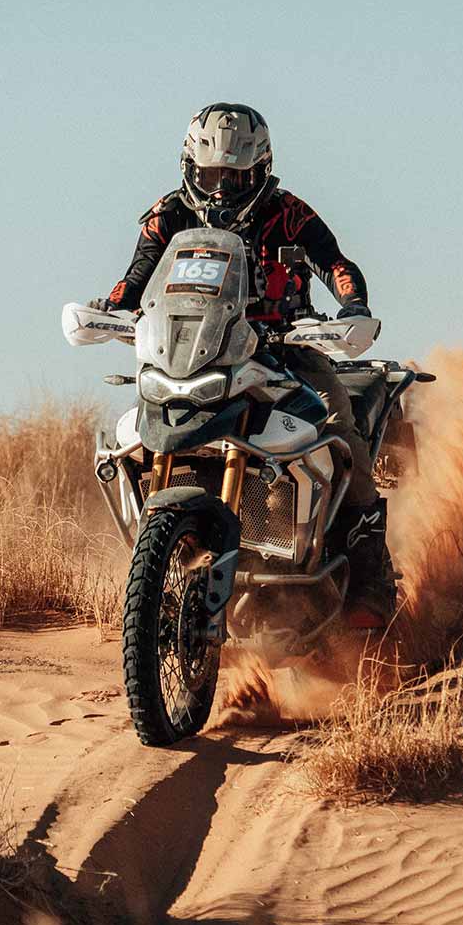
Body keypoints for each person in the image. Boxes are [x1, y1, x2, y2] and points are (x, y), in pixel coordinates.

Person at [94, 103, 395, 627]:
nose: (220, 188)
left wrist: (353, 309)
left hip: (284, 347)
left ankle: (370, 573)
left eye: (233, 176)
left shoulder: (289, 212)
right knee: (128, 437)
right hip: (194, 351)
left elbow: (337, 265)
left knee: (339, 428)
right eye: (210, 174)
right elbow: (137, 274)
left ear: (259, 169)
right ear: (190, 166)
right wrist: (114, 308)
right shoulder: (169, 213)